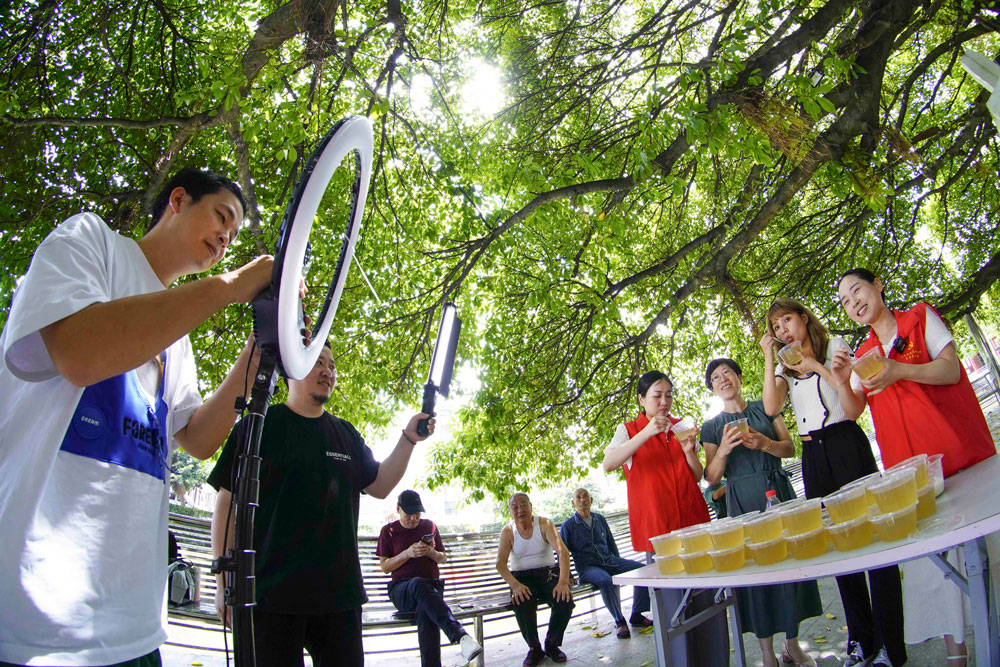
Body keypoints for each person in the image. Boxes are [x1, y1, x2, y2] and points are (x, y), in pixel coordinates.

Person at [0, 167, 272, 667]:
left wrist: (256, 352)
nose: (226, 239)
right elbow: (79, 352)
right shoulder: (91, 242)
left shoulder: (178, 337)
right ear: (178, 199)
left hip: (134, 626)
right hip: (33, 618)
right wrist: (230, 286)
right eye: (221, 217)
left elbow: (197, 438)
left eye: (234, 236)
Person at [208, 343, 435, 667]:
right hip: (268, 598)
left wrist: (409, 438)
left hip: (338, 599)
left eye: (331, 365)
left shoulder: (345, 434)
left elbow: (380, 484)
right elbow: (226, 503)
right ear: (292, 365)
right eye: (318, 362)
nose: (328, 371)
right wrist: (223, 585)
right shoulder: (257, 425)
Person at [834, 268, 998, 666]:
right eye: (845, 301)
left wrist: (901, 370)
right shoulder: (863, 355)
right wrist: (839, 379)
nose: (853, 302)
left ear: (878, 286)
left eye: (857, 290)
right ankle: (956, 656)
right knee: (941, 573)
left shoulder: (920, 318)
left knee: (991, 558)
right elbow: (852, 410)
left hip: (963, 459)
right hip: (916, 479)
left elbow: (951, 369)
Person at [761, 297, 905, 667]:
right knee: (841, 547)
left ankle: (890, 645)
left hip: (845, 444)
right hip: (814, 456)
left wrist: (815, 366)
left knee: (875, 538)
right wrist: (770, 359)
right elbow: (771, 407)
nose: (782, 330)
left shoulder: (835, 347)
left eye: (786, 320)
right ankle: (861, 639)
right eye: (776, 327)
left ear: (803, 318)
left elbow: (854, 406)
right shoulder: (785, 368)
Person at [601, 370, 730, 666]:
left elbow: (696, 476)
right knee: (673, 609)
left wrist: (689, 451)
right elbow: (609, 463)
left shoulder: (681, 426)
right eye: (657, 396)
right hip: (660, 534)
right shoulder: (629, 430)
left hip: (694, 523)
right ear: (641, 399)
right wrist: (647, 433)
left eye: (668, 395)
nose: (664, 401)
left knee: (706, 599)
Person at [702, 357, 822, 667]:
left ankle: (792, 645)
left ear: (739, 377)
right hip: (742, 502)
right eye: (716, 378)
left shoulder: (766, 408)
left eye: (727, 372)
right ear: (713, 389)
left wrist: (765, 443)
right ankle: (767, 654)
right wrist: (724, 450)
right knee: (756, 573)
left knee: (790, 564)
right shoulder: (712, 427)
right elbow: (712, 478)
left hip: (777, 492)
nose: (723, 379)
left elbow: (790, 448)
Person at [376, 489, 483, 667]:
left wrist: (431, 552)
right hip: (402, 591)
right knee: (419, 585)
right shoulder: (389, 531)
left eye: (417, 514)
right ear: (398, 509)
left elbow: (443, 558)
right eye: (409, 514)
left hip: (431, 589)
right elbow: (385, 567)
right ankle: (461, 636)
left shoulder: (429, 526)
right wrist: (407, 554)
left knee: (427, 610)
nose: (413, 518)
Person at [558, 487, 651, 639]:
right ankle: (619, 621)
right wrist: (567, 576)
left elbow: (610, 542)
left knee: (642, 570)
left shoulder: (599, 519)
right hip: (588, 568)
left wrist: (619, 563)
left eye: (585, 496)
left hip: (610, 561)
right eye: (578, 497)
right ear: (573, 503)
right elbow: (563, 553)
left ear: (591, 500)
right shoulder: (568, 526)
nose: (582, 500)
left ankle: (637, 614)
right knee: (605, 580)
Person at [496, 492, 574, 667]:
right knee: (522, 602)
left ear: (531, 506)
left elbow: (563, 552)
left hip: (548, 575)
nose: (520, 509)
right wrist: (515, 586)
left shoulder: (544, 524)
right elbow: (500, 564)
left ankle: (551, 644)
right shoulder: (508, 531)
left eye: (523, 504)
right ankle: (534, 648)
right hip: (521, 579)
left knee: (565, 600)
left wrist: (563, 582)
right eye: (514, 507)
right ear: (510, 511)